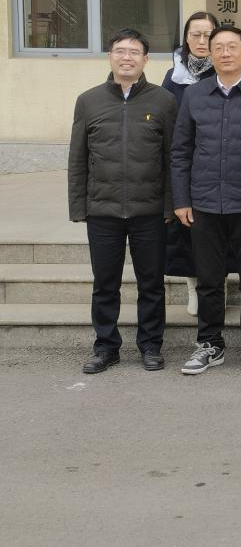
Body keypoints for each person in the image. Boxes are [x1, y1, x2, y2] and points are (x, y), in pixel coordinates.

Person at [171, 26, 241, 377]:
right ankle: (210, 343)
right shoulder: (194, 95)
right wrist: (181, 199)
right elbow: (180, 151)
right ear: (210, 54)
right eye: (218, 47)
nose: (225, 53)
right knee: (208, 279)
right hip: (203, 203)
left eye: (232, 47)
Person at [68, 29, 177, 373]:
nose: (126, 57)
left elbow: (172, 158)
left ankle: (151, 345)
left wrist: (170, 206)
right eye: (120, 51)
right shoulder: (89, 101)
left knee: (151, 284)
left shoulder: (163, 101)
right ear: (110, 56)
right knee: (105, 284)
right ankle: (105, 347)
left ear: (146, 59)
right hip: (103, 210)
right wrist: (79, 206)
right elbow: (78, 157)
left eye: (134, 52)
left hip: (150, 211)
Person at [162, 10, 219, 317]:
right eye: (195, 34)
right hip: (184, 163)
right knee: (186, 230)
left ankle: (217, 285)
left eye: (207, 35)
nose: (201, 41)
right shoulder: (173, 76)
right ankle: (192, 288)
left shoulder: (223, 71)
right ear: (186, 38)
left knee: (216, 232)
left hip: (216, 163)